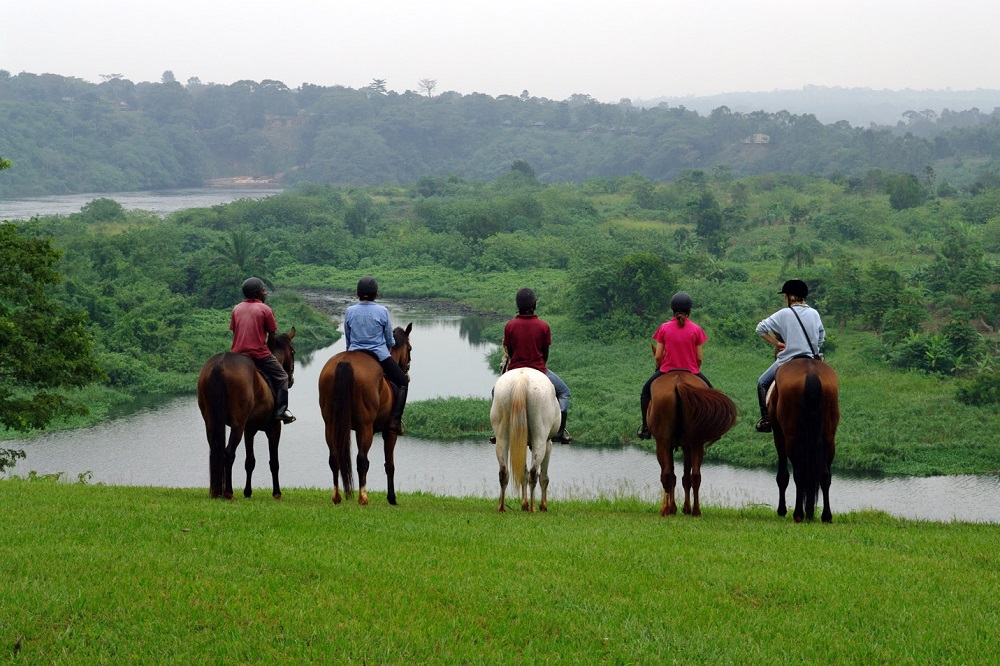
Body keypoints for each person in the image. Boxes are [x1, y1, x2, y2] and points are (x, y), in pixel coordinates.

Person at [494, 287, 572, 443]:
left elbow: (510, 351)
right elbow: (545, 352)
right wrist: (540, 366)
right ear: (534, 304)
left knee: (495, 392)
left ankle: (498, 431)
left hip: (514, 369)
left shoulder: (510, 326)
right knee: (564, 392)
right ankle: (560, 431)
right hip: (539, 368)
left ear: (518, 305)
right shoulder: (544, 326)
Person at [754, 279, 826, 433]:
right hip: (811, 358)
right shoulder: (814, 313)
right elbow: (821, 336)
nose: (785, 299)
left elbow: (760, 329)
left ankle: (766, 419)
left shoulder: (784, 313)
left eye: (785, 296)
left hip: (788, 360)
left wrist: (777, 344)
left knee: (762, 382)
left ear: (790, 297)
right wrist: (814, 348)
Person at [636, 292, 710, 440]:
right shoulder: (696, 329)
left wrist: (661, 367)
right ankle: (709, 429)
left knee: (645, 392)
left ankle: (645, 428)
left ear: (673, 310)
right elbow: (699, 358)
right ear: (689, 310)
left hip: (667, 369)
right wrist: (695, 369)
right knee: (711, 393)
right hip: (692, 370)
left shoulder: (664, 328)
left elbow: (658, 356)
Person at [344, 275, 408, 435]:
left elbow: (348, 336)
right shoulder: (382, 311)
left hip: (354, 353)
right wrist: (387, 350)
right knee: (402, 381)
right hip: (379, 355)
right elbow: (389, 340)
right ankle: (395, 420)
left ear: (357, 293)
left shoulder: (349, 311)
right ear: (375, 294)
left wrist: (350, 352)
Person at [230, 277, 295, 424]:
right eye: (263, 291)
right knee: (282, 377)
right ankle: (281, 411)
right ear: (256, 294)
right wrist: (269, 351)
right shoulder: (265, 309)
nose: (265, 293)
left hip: (237, 354)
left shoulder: (236, 308)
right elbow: (271, 335)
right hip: (258, 353)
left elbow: (235, 332)